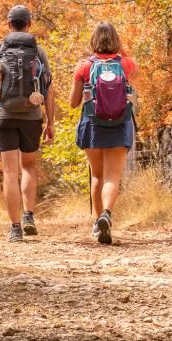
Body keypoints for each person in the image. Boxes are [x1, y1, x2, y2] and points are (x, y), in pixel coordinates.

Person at [0, 5, 55, 242]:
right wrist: (50, 121)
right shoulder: (38, 51)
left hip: (4, 115)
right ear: (29, 25)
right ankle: (29, 215)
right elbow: (49, 89)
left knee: (10, 172)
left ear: (9, 24)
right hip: (31, 117)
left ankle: (15, 228)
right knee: (28, 166)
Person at [68, 21, 137, 244]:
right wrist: (120, 51)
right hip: (119, 124)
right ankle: (107, 213)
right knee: (112, 176)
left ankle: (98, 223)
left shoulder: (84, 66)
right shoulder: (126, 64)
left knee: (97, 175)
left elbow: (73, 103)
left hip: (92, 124)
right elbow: (133, 90)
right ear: (116, 40)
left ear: (93, 41)